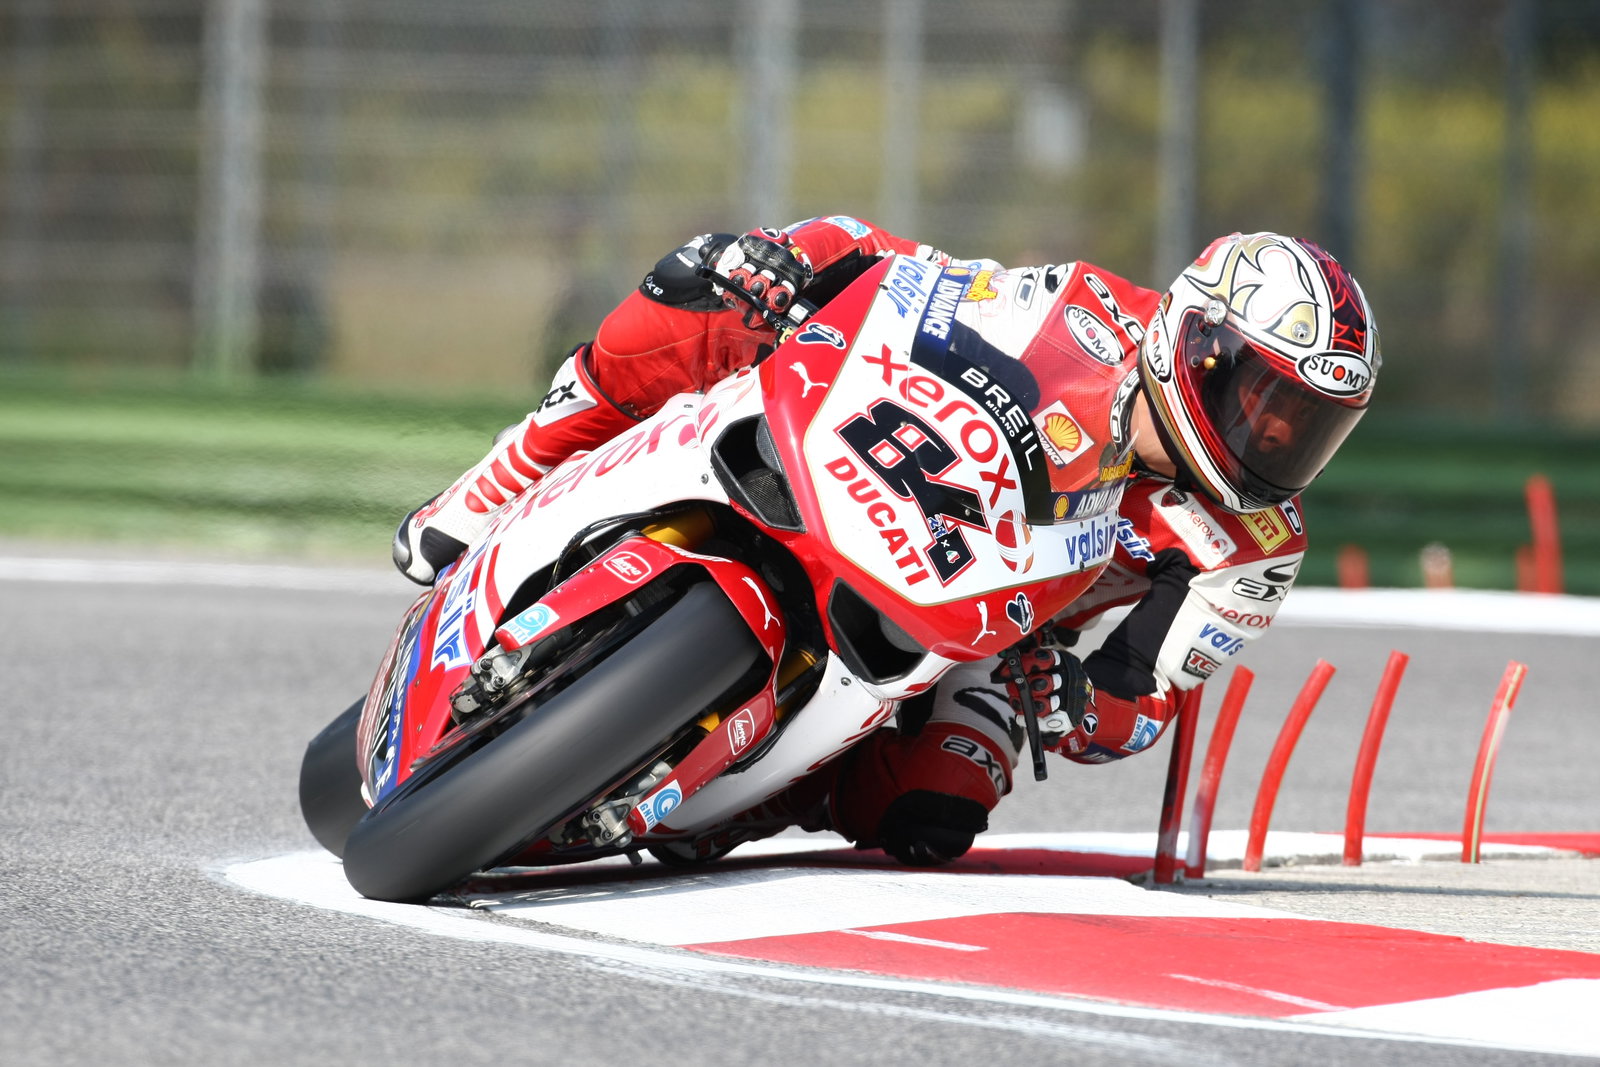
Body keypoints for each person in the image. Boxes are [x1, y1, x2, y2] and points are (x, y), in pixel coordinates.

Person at [392, 216, 1380, 866]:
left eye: (1307, 424)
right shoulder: (1087, 309)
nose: (1276, 437)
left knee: (936, 809)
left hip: (996, 623)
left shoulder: (1253, 545)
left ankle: (770, 790)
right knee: (696, 294)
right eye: (1264, 397)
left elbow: (1147, 690)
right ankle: (497, 484)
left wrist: (1079, 705)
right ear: (1194, 340)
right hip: (898, 470)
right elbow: (913, 277)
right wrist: (784, 265)